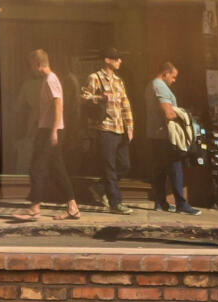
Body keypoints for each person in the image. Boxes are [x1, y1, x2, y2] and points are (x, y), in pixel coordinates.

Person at [11, 49, 78, 223]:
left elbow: (58, 104)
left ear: (37, 64)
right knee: (57, 169)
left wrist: (53, 130)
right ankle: (73, 207)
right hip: (48, 129)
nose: (31, 69)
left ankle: (34, 209)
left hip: (50, 130)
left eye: (31, 65)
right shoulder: (48, 79)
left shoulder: (50, 79)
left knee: (37, 167)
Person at [83, 50, 135, 211]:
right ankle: (115, 203)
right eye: (116, 58)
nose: (120, 61)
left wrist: (130, 127)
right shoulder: (95, 77)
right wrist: (100, 98)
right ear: (107, 60)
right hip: (104, 127)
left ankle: (99, 187)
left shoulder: (119, 80)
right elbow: (83, 97)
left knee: (125, 165)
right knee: (109, 166)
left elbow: (125, 104)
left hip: (120, 129)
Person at [146, 60, 197, 214]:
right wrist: (184, 115)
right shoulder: (160, 86)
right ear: (165, 73)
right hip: (166, 135)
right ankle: (181, 204)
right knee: (176, 168)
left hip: (155, 134)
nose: (174, 80)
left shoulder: (150, 85)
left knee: (160, 170)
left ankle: (160, 203)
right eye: (173, 77)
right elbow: (168, 112)